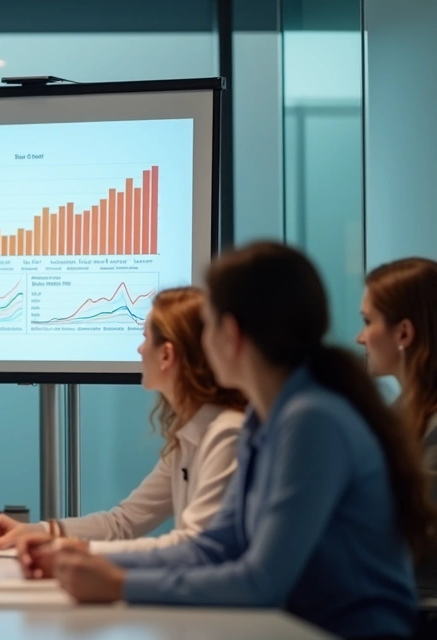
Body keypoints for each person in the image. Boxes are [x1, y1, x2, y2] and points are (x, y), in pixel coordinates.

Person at [24, 242, 430, 640]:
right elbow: (214, 548)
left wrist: (117, 586)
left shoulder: (311, 420)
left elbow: (260, 581)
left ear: (231, 333)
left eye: (209, 326)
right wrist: (84, 560)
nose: (201, 344)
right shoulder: (263, 417)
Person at [0, 287, 246, 552]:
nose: (140, 350)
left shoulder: (227, 434)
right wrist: (37, 531)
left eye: (145, 338)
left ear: (166, 355)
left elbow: (194, 547)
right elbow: (124, 522)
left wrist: (73, 554)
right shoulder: (189, 436)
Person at [357, 257, 437, 600]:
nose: (360, 337)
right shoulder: (399, 413)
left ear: (403, 332)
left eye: (367, 321)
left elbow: (415, 532)